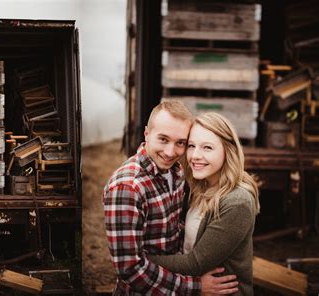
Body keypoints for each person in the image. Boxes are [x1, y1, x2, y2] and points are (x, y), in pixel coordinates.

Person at [103, 100, 239, 295]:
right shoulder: (128, 187)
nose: (170, 152)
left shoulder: (176, 172)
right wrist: (195, 287)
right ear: (147, 134)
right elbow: (130, 269)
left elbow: (173, 230)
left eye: (180, 143)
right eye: (163, 139)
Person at [148, 112, 260, 295]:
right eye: (191, 146)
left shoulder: (237, 201)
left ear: (228, 150)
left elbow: (196, 263)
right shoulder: (202, 186)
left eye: (207, 147)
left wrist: (139, 261)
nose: (195, 156)